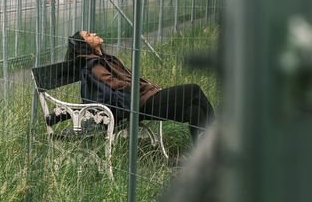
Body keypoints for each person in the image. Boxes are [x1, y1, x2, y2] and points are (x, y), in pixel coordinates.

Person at [64, 29, 214, 142]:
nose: (94, 33)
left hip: (143, 98)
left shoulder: (104, 59)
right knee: (194, 89)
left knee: (195, 111)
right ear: (83, 45)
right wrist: (140, 87)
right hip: (139, 103)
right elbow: (115, 85)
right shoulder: (94, 65)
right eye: (89, 35)